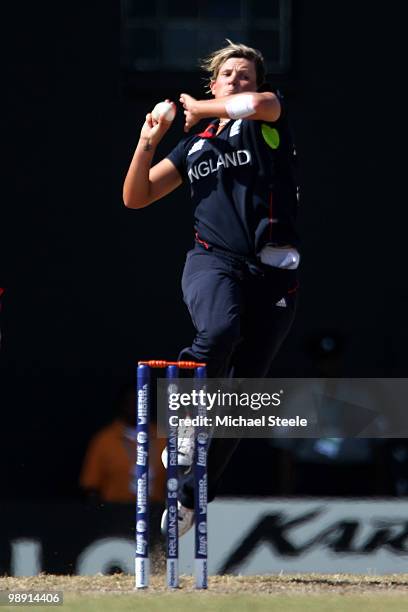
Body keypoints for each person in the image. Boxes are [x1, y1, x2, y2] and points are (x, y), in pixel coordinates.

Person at [123, 40, 300, 534]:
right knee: (219, 331)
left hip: (275, 273)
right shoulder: (196, 144)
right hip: (212, 260)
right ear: (213, 82)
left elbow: (259, 104)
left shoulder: (266, 118)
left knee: (239, 401)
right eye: (228, 74)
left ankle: (188, 500)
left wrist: (197, 109)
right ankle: (182, 419)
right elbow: (137, 196)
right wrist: (148, 139)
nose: (237, 80)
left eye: (246, 74)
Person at [80, 384, 166, 504]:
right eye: (129, 403)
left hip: (156, 510)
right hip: (114, 512)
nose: (135, 407)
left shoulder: (163, 437)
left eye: (139, 402)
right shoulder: (104, 440)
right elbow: (91, 485)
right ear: (121, 405)